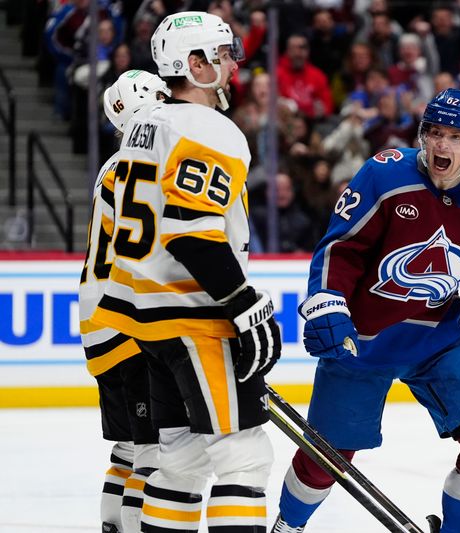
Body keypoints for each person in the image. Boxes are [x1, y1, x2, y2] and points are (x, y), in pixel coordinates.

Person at [270, 88, 460, 533]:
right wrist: (328, 303)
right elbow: (342, 250)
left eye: (458, 137)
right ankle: (287, 527)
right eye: (436, 133)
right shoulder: (385, 175)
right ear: (422, 134)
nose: (444, 146)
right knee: (327, 455)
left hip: (436, 341)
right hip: (361, 341)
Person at [91, 12, 282, 531]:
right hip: (195, 316)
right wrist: (244, 304)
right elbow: (192, 230)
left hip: (147, 319)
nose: (230, 64)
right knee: (243, 456)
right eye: (220, 55)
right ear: (193, 64)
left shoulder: (144, 127)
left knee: (181, 461)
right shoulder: (208, 127)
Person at [79, 69, 168, 533]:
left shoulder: (109, 167)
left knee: (129, 447)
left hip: (97, 321)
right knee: (154, 450)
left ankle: (113, 526)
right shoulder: (141, 164)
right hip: (128, 319)